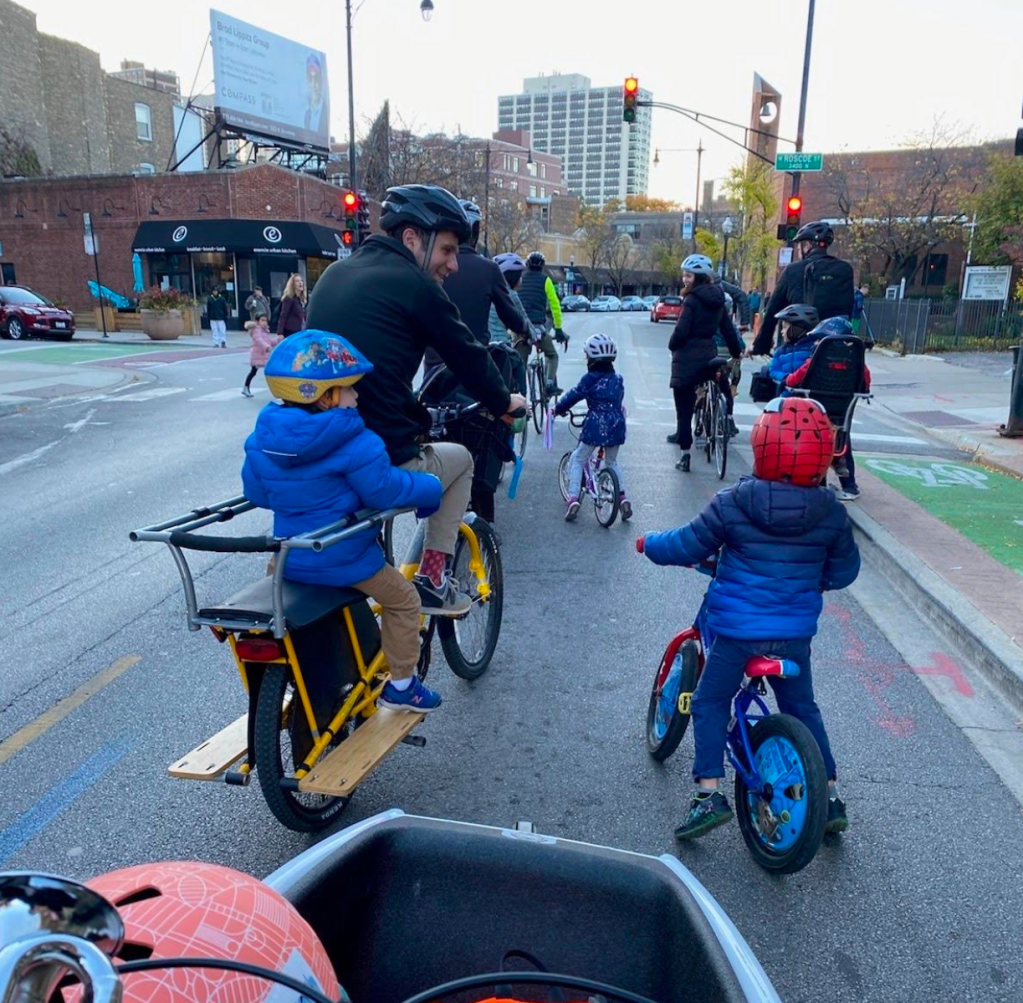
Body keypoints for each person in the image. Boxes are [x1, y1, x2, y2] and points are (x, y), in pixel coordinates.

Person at [636, 397, 860, 840]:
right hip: (794, 635)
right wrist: (813, 583)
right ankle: (830, 797)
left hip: (737, 635)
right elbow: (844, 571)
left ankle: (707, 794)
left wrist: (649, 544)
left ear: (761, 448)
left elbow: (687, 544)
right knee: (802, 707)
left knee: (708, 701)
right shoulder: (832, 512)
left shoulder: (735, 502)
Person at [305, 183, 526, 613]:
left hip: (320, 449)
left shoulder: (334, 274)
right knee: (460, 461)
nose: (454, 264)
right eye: (447, 250)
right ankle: (433, 578)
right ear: (412, 240)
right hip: (379, 453)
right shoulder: (415, 284)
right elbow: (467, 355)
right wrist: (505, 403)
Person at [244, 330, 446, 712]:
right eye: (350, 389)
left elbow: (258, 494)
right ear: (325, 397)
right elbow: (385, 491)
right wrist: (429, 488)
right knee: (404, 600)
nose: (357, 396)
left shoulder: (260, 442)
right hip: (347, 561)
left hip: (289, 561)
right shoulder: (357, 443)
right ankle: (402, 686)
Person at [667, 254, 744, 471]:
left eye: (688, 275)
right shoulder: (719, 299)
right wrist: (736, 351)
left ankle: (685, 455)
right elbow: (728, 329)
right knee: (721, 382)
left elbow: (681, 331)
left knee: (684, 407)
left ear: (698, 277)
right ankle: (725, 415)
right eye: (684, 275)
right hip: (709, 355)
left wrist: (673, 345)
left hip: (688, 358)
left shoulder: (691, 300)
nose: (684, 279)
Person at [784, 317, 871, 501]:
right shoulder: (856, 363)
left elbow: (793, 380)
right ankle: (849, 485)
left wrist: (787, 381)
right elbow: (866, 384)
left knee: (813, 439)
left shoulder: (815, 361)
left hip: (814, 411)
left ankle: (817, 481)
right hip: (841, 410)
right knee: (842, 438)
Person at [554, 333, 631, 523]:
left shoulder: (589, 379)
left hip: (595, 425)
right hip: (616, 424)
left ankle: (573, 498)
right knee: (612, 462)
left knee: (578, 457)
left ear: (590, 358)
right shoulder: (618, 379)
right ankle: (622, 498)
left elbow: (574, 395)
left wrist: (558, 409)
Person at [751, 221, 855, 356]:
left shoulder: (792, 271)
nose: (799, 252)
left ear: (807, 245)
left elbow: (772, 313)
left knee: (767, 373)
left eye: (799, 247)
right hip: (837, 348)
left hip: (802, 348)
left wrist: (760, 347)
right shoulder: (845, 270)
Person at [436, 201, 531, 347]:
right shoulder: (489, 269)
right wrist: (525, 329)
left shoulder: (434, 266)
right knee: (512, 364)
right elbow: (510, 317)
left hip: (436, 363)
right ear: (473, 232)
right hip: (475, 359)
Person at [516, 251, 566, 393]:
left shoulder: (520, 279)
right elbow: (555, 305)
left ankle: (518, 390)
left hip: (521, 327)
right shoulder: (546, 280)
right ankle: (549, 384)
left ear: (527, 265)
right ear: (542, 266)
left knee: (520, 363)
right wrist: (558, 328)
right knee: (552, 355)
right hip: (538, 326)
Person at [764, 304, 820, 388]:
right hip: (786, 393)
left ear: (797, 328)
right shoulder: (781, 351)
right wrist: (786, 377)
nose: (782, 332)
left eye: (785, 327)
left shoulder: (813, 348)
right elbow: (774, 371)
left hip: (808, 394)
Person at [488, 253, 536, 349]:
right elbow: (523, 319)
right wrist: (534, 336)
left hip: (484, 342)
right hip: (500, 344)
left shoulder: (489, 289)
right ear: (512, 276)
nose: (521, 279)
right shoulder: (510, 293)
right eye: (519, 275)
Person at [241, 314, 279, 398]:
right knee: (254, 372)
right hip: (258, 355)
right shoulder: (256, 330)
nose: (264, 322)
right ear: (257, 322)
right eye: (262, 320)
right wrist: (266, 347)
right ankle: (246, 387)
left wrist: (277, 340)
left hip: (263, 355)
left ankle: (246, 388)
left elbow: (268, 341)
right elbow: (258, 340)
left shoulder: (264, 330)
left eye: (265, 320)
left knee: (257, 371)